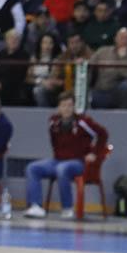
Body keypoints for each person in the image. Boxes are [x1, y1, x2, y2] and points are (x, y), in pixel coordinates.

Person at [23, 92, 108, 220]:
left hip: (79, 162)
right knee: (32, 168)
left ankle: (67, 208)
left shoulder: (83, 122)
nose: (66, 109)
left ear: (74, 107)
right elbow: (54, 141)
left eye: (69, 105)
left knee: (62, 169)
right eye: (63, 105)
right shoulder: (53, 122)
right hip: (57, 160)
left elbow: (103, 134)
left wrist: (94, 153)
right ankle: (36, 206)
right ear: (59, 107)